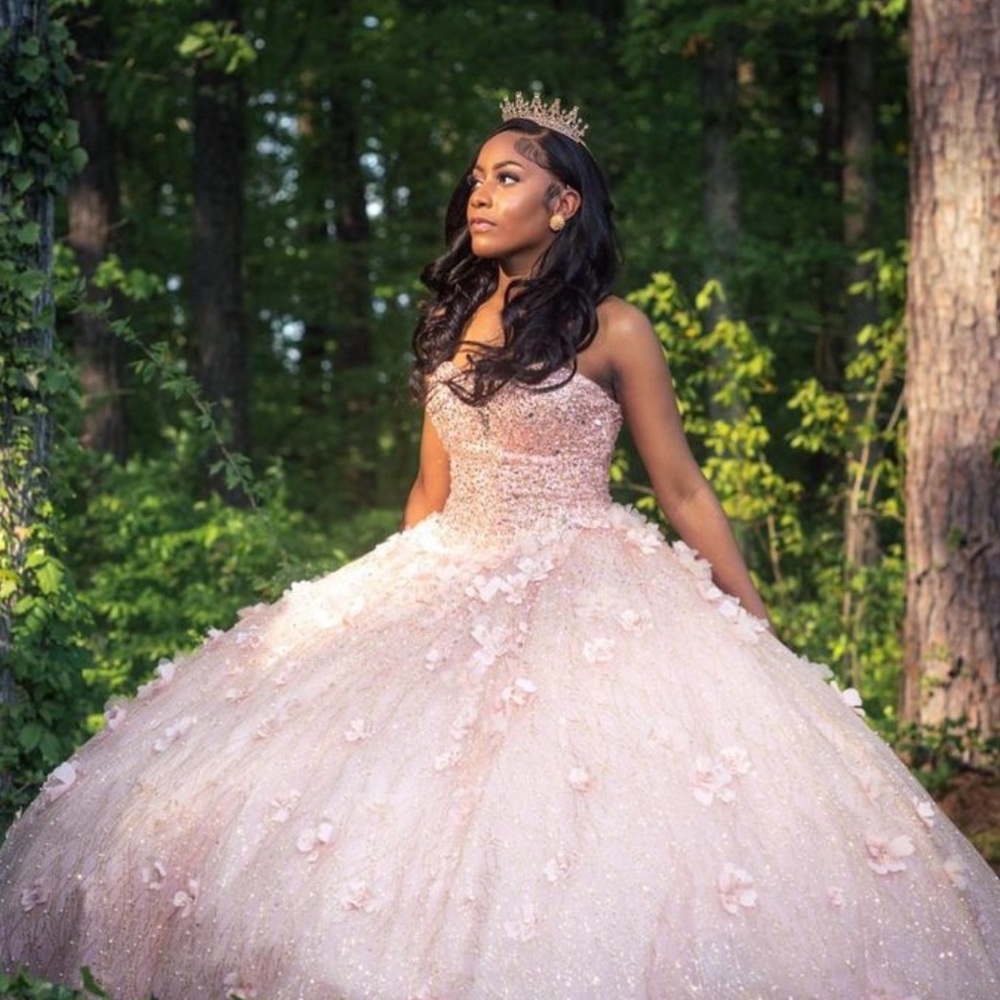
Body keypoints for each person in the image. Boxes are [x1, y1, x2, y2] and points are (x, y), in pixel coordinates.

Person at [1, 93, 999, 1000]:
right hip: (450, 572)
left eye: (507, 177)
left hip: (589, 589)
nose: (480, 194)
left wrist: (749, 609)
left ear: (563, 205)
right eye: (476, 177)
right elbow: (429, 490)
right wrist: (380, 614)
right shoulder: (444, 318)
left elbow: (681, 487)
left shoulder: (616, 330)